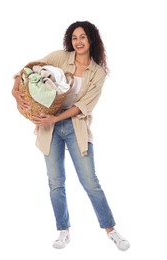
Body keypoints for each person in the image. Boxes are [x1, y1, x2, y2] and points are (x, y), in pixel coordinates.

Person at [12, 21, 130, 251]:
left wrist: (54, 119)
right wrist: (15, 91)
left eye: (83, 37)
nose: (78, 41)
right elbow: (26, 69)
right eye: (74, 37)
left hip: (76, 127)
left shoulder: (98, 72)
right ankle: (63, 230)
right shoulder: (59, 57)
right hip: (50, 129)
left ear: (91, 40)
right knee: (56, 183)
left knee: (90, 182)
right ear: (70, 40)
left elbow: (85, 105)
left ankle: (111, 230)